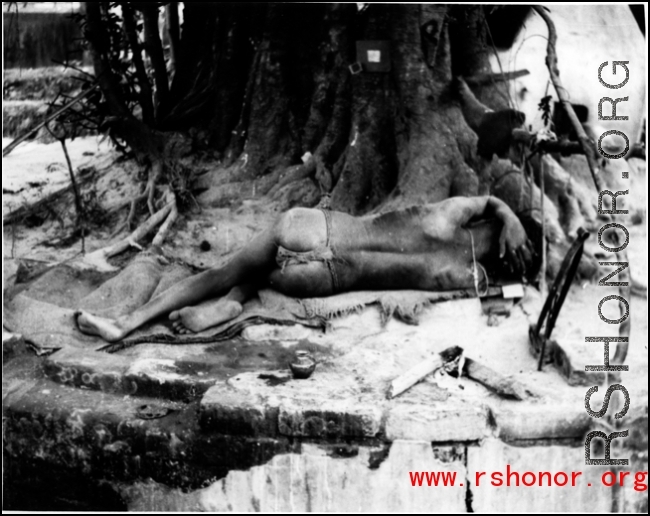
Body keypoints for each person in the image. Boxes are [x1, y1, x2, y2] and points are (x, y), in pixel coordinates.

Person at [76, 195, 535, 342]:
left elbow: (492, 200)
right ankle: (234, 304)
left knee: (225, 271)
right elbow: (505, 296)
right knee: (253, 279)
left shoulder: (456, 214)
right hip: (326, 280)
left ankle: (126, 324)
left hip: (317, 230)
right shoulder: (469, 278)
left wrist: (508, 214)